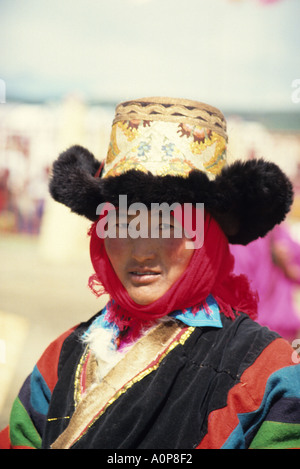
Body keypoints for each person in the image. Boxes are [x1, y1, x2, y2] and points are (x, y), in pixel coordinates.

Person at [1, 97, 300, 450]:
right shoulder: (61, 358)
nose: (141, 251)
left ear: (208, 237)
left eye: (169, 227)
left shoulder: (268, 373)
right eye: (123, 226)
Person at [231, 223, 300, 342]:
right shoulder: (277, 232)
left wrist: (287, 267)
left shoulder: (279, 233)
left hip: (263, 330)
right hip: (265, 330)